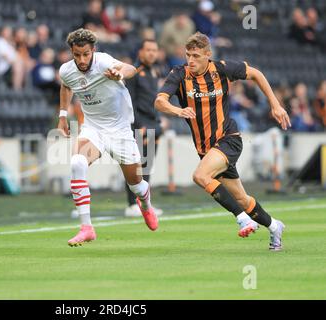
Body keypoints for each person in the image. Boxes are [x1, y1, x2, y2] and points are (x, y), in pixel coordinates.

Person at [154, 32, 291, 251]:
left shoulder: (222, 69)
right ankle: (275, 226)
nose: (191, 60)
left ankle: (243, 219)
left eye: (196, 56)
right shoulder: (179, 74)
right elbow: (160, 101)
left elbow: (256, 74)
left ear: (208, 55)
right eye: (188, 55)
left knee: (200, 176)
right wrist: (177, 110)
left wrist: (275, 104)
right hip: (207, 149)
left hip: (228, 139)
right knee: (242, 199)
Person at [58, 28, 158, 246]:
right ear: (72, 52)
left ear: (93, 50)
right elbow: (66, 86)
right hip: (93, 129)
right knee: (76, 162)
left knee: (136, 184)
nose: (82, 60)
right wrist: (63, 115)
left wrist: (119, 74)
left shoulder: (103, 62)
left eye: (85, 54)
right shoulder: (66, 70)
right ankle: (86, 228)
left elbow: (130, 68)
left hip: (120, 130)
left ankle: (146, 204)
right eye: (77, 55)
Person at [124, 39, 165, 217]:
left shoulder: (155, 71)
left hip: (153, 124)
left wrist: (159, 120)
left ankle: (145, 204)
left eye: (154, 50)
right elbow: (130, 102)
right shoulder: (134, 72)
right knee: (136, 167)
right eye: (148, 50)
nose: (151, 53)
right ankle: (132, 204)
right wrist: (138, 125)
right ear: (140, 52)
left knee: (148, 167)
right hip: (140, 125)